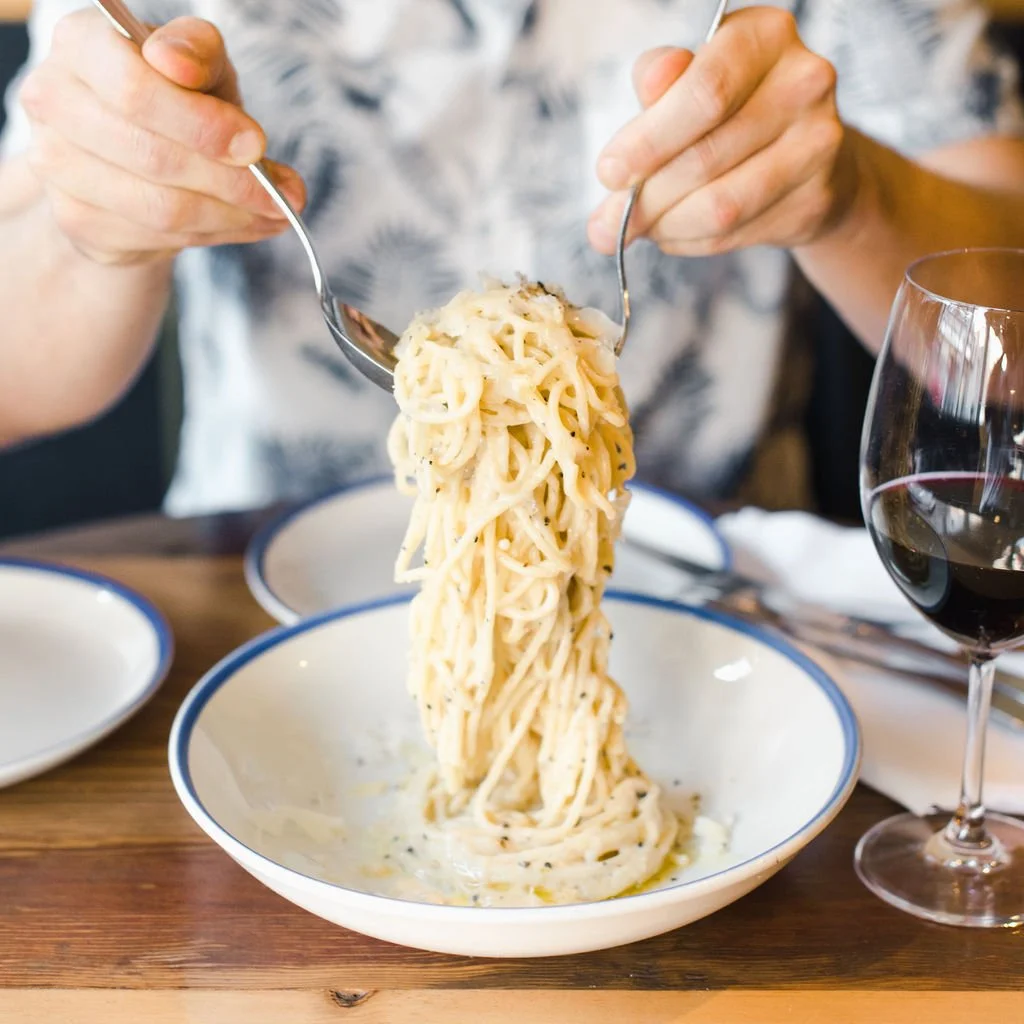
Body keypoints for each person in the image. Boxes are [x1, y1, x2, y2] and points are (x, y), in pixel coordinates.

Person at [0, 0, 1022, 517]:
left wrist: (854, 198)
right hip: (245, 593)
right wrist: (94, 229)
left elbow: (1011, 354)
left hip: (727, 600)